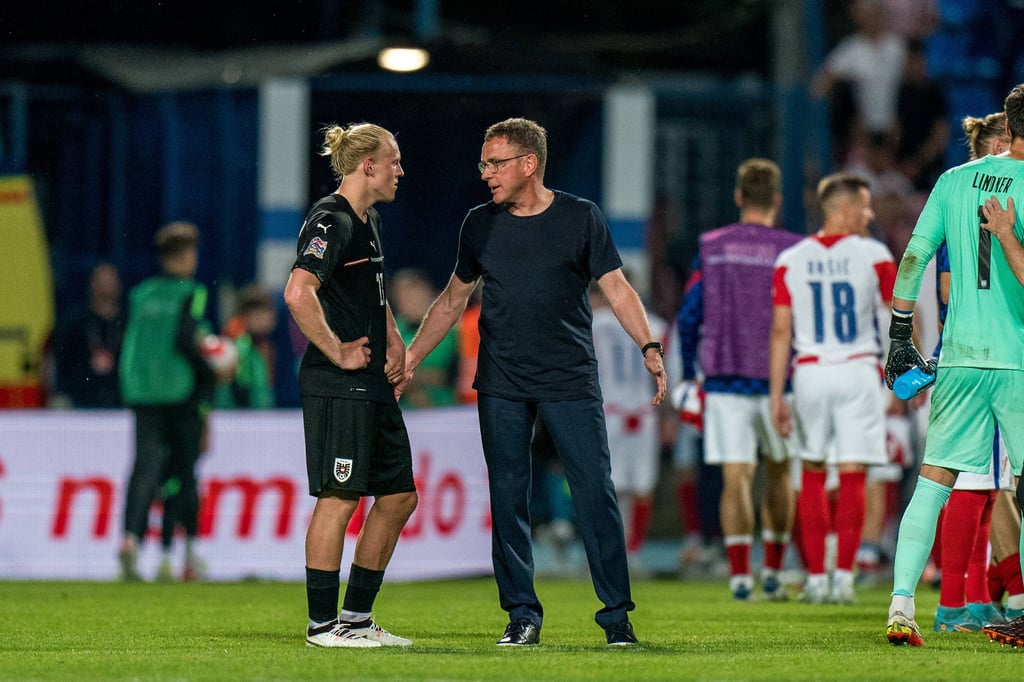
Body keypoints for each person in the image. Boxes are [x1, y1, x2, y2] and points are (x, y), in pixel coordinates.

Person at [398, 117, 666, 647]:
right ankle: (522, 614)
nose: (485, 174)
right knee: (508, 497)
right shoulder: (479, 223)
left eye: (495, 163)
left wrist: (649, 347)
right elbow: (453, 299)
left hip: (570, 378)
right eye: (483, 163)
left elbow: (616, 287)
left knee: (596, 495)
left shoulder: (580, 217)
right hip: (502, 380)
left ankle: (617, 617)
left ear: (528, 164)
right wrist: (410, 358)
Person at [882, 84, 1024, 648]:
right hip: (1017, 360)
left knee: (935, 479)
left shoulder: (952, 181)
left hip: (960, 356)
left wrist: (898, 335)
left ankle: (900, 607)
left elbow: (915, 256)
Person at [283, 122, 417, 649]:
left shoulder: (369, 220)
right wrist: (337, 349)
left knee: (399, 496)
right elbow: (298, 293)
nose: (400, 171)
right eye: (394, 161)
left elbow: (374, 293)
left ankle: (357, 619)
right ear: (368, 166)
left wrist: (395, 341)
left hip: (371, 383)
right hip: (338, 383)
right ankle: (322, 626)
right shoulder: (331, 219)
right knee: (340, 498)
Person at [676, 158, 801, 601]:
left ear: (738, 197)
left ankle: (738, 577)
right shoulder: (794, 248)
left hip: (725, 375)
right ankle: (771, 571)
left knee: (736, 476)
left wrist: (691, 372)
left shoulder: (713, 246)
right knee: (780, 473)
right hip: (780, 382)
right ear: (778, 202)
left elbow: (689, 316)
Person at [769, 173, 897, 605]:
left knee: (812, 474)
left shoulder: (791, 259)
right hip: (859, 371)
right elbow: (893, 320)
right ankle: (843, 576)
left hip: (809, 373)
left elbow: (780, 332)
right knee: (855, 474)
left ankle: (817, 579)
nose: (870, 213)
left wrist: (775, 396)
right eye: (864, 205)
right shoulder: (874, 254)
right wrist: (896, 376)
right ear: (843, 210)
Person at [923, 112, 1020, 633]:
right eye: (993, 146)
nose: (1003, 153)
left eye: (1007, 142)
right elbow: (945, 293)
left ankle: (980, 596)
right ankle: (950, 603)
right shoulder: (961, 209)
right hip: (976, 355)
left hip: (996, 353)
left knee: (989, 489)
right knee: (969, 483)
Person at [117, 222, 217, 582]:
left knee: (145, 469)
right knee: (183, 472)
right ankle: (182, 553)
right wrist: (211, 373)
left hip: (141, 391)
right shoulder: (192, 292)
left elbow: (129, 341)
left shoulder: (140, 295)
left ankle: (130, 540)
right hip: (180, 392)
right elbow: (186, 340)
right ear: (187, 255)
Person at [590, 278, 675, 576]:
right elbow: (668, 376)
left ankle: (610, 554)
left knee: (609, 486)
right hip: (644, 411)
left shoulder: (594, 322)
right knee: (640, 487)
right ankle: (632, 551)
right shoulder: (658, 326)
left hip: (609, 412)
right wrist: (668, 416)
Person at [54, 262, 125, 408]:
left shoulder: (129, 324)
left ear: (119, 286)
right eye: (101, 281)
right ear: (91, 284)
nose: (105, 287)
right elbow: (59, 363)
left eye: (110, 281)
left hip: (121, 401)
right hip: (79, 402)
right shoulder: (74, 324)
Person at [389, 268, 458, 407]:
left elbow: (450, 375)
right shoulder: (390, 333)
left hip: (448, 410)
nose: (410, 301)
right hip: (405, 412)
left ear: (428, 294)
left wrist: (406, 374)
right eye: (404, 297)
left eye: (414, 295)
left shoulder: (451, 330)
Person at [216, 284, 276, 409]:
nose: (263, 319)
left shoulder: (264, 344)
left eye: (266, 313)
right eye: (256, 315)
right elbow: (242, 389)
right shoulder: (238, 345)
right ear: (243, 316)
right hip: (240, 420)